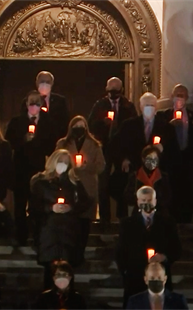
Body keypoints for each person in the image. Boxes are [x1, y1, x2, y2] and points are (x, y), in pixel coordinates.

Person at [29, 149, 91, 289]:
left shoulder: (74, 183)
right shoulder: (40, 183)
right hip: (49, 233)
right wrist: (51, 208)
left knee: (67, 270)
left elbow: (85, 202)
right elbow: (34, 207)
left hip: (68, 233)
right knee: (50, 272)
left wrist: (71, 208)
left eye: (66, 162)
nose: (62, 164)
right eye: (60, 161)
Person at [112, 92, 179, 218]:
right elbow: (117, 146)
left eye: (152, 105)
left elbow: (174, 152)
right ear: (141, 107)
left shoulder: (166, 127)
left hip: (157, 174)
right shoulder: (128, 125)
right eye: (146, 105)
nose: (149, 108)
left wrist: (161, 150)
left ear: (156, 107)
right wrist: (123, 159)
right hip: (135, 171)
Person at [116, 186, 182, 309]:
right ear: (138, 202)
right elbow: (121, 251)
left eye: (149, 200)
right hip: (135, 277)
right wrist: (125, 272)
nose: (146, 203)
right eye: (143, 200)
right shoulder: (127, 224)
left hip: (159, 277)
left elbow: (176, 248)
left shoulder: (167, 222)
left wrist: (164, 257)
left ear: (155, 201)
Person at [5, 90, 57, 245]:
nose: (34, 105)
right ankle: (20, 236)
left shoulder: (48, 122)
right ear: (26, 104)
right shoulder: (16, 122)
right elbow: (9, 143)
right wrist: (23, 140)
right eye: (31, 102)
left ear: (41, 104)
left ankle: (37, 235)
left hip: (39, 169)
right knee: (20, 205)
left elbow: (52, 145)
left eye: (37, 102)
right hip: (21, 169)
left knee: (38, 205)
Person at [88, 77, 137, 227]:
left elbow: (133, 129)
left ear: (121, 90)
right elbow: (90, 125)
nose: (113, 94)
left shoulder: (128, 106)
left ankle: (122, 217)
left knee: (122, 183)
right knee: (102, 184)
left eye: (115, 91)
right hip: (104, 148)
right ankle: (104, 218)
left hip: (121, 149)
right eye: (110, 91)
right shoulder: (100, 105)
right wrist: (103, 123)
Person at [157, 84, 193, 223]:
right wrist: (169, 127)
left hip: (188, 162)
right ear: (172, 97)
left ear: (187, 98)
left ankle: (186, 223)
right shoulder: (163, 116)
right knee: (170, 195)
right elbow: (158, 138)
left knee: (188, 195)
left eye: (182, 95)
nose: (179, 98)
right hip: (169, 162)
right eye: (177, 95)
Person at [56, 116, 105, 248]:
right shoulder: (63, 144)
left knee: (85, 222)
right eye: (76, 126)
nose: (79, 129)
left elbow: (101, 166)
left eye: (82, 126)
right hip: (69, 184)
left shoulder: (94, 144)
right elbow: (56, 162)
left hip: (88, 185)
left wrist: (87, 166)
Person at [21, 71, 70, 140]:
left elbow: (65, 123)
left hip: (54, 140)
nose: (45, 84)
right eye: (42, 81)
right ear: (37, 83)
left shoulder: (60, 101)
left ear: (52, 84)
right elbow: (22, 121)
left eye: (48, 82)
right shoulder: (27, 101)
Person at [124, 145, 172, 215]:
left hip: (159, 214)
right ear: (143, 159)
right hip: (139, 214)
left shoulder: (163, 177)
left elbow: (168, 198)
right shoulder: (135, 176)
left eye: (155, 158)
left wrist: (154, 199)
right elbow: (127, 197)